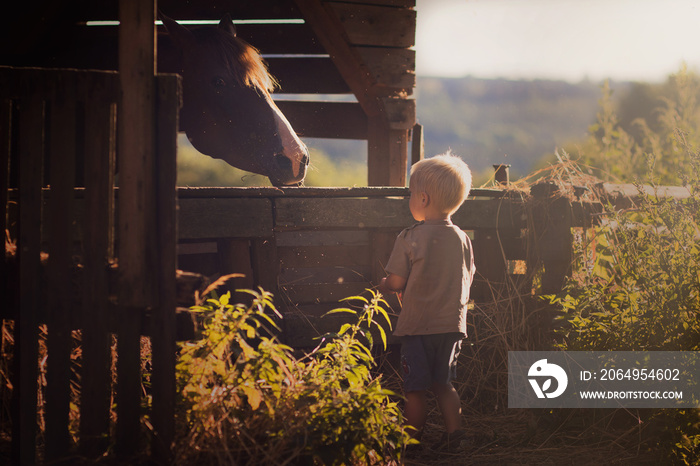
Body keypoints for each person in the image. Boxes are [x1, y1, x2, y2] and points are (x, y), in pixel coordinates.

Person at [379, 151, 475, 451]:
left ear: (422, 199)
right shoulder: (461, 238)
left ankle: (411, 442)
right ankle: (456, 435)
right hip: (451, 325)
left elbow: (396, 281)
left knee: (415, 389)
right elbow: (468, 276)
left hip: (417, 327)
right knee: (444, 384)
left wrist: (382, 285)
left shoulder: (409, 237)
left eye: (410, 194)